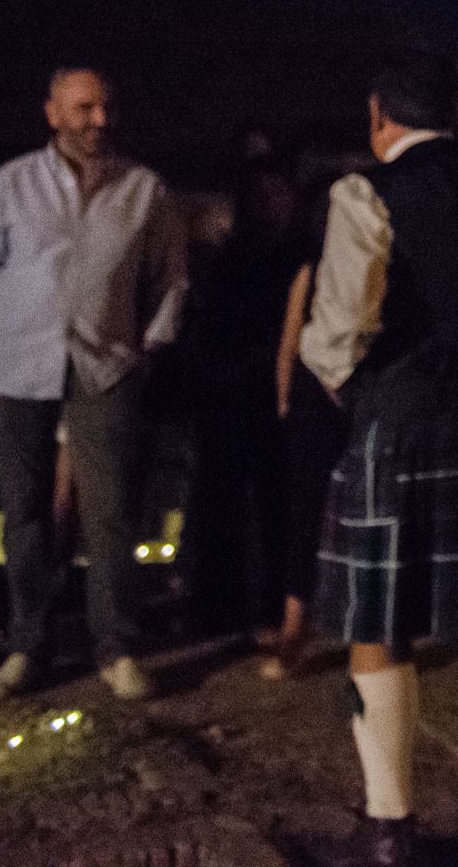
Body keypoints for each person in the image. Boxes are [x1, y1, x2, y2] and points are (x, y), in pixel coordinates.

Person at [301, 51, 458, 861]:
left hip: (403, 417)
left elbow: (341, 326)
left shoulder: (364, 191)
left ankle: (389, 826)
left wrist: (348, 385)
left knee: (377, 621)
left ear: (380, 115)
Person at [0, 67, 188, 701]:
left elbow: (169, 277)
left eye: (106, 107)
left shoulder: (144, 190)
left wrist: (148, 345)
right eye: (84, 108)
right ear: (53, 114)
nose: (100, 120)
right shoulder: (12, 184)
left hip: (104, 366)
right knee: (24, 512)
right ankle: (27, 645)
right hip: (16, 364)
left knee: (112, 511)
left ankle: (116, 647)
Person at [177, 161, 304, 635]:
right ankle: (217, 604)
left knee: (275, 505)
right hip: (228, 393)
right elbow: (209, 321)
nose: (272, 205)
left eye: (279, 194)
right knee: (220, 503)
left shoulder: (296, 257)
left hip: (273, 394)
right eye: (262, 196)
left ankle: (273, 603)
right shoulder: (232, 257)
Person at [260, 183, 350, 679]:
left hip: (359, 399)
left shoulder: (383, 266)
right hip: (314, 401)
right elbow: (291, 335)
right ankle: (295, 624)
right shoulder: (311, 271)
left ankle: (364, 623)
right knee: (305, 509)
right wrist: (284, 394)